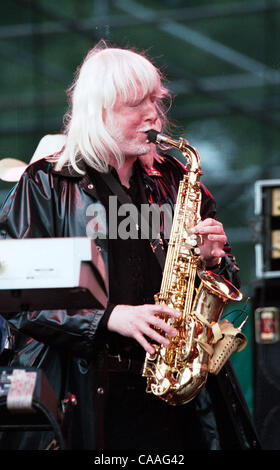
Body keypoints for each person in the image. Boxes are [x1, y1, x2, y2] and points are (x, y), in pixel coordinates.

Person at [0, 40, 259, 451]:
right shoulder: (45, 184)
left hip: (176, 388)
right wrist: (107, 318)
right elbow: (15, 298)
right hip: (83, 392)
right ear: (99, 111)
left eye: (156, 100)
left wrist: (213, 260)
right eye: (136, 103)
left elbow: (222, 277)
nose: (154, 114)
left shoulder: (174, 178)